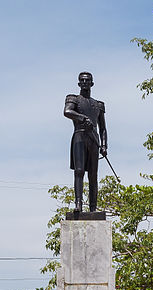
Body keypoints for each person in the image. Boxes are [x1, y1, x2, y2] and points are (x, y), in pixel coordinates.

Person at [64, 71, 107, 213]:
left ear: (92, 83)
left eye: (87, 81)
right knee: (79, 171)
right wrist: (82, 118)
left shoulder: (98, 104)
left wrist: (104, 145)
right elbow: (67, 111)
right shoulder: (73, 98)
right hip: (79, 137)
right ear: (78, 83)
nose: (84, 83)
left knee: (93, 175)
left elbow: (103, 128)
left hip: (94, 139)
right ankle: (78, 204)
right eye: (82, 80)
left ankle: (93, 208)